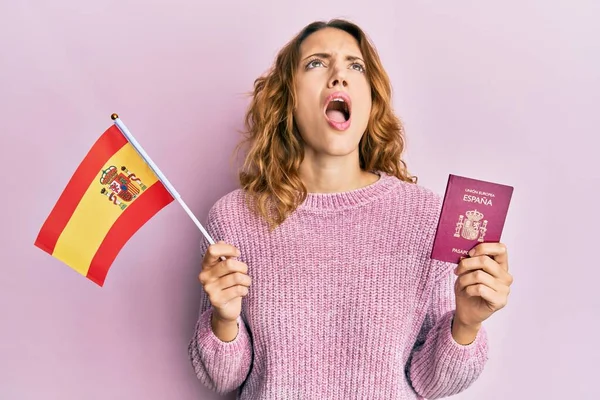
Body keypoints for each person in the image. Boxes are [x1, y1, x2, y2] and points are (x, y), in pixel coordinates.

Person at [188, 18, 513, 400]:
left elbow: (431, 383)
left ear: (372, 99)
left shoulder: (427, 216)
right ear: (287, 98)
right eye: (316, 63)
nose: (338, 75)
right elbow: (223, 380)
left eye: (354, 66)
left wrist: (467, 324)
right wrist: (223, 319)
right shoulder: (233, 218)